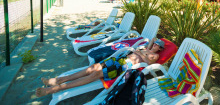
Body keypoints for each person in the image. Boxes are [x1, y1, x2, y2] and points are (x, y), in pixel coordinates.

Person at [36, 39, 165, 97]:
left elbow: (147, 63)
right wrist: (147, 46)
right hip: (119, 60)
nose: (155, 45)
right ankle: (59, 80)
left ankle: (54, 89)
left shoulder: (154, 55)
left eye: (158, 45)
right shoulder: (147, 48)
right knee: (92, 68)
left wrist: (141, 52)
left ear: (160, 49)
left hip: (123, 66)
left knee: (94, 75)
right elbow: (149, 43)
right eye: (155, 43)